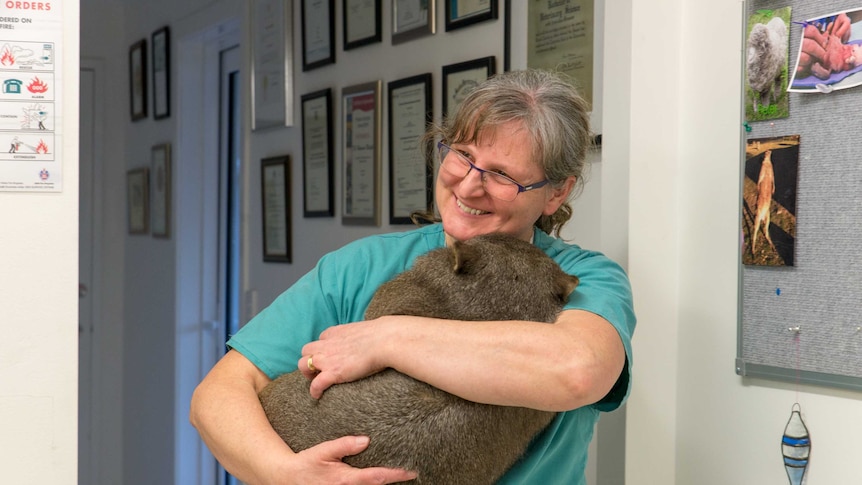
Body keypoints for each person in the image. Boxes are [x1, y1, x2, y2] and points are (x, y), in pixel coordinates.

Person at [190, 69, 636, 485]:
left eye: (501, 175)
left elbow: (576, 371)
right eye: (462, 155)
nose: (467, 186)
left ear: (555, 192)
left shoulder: (583, 278)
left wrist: (386, 338)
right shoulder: (362, 265)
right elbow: (218, 396)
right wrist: (285, 473)